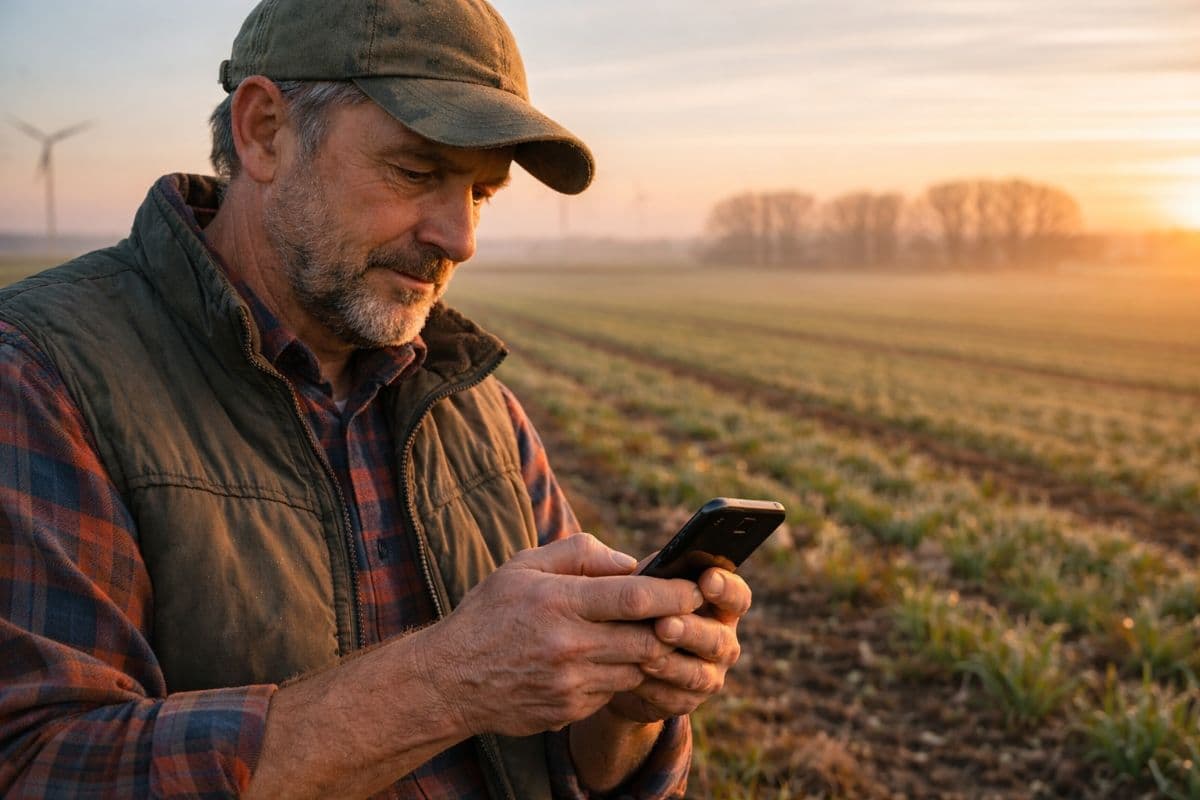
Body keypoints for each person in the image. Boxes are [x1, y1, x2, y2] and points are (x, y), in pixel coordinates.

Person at [0, 1, 752, 797]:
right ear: (264, 132)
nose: (459, 238)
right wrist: (446, 680)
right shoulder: (45, 376)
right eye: (418, 172)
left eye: (482, 193)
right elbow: (37, 766)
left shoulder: (483, 414)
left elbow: (580, 766)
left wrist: (628, 702)